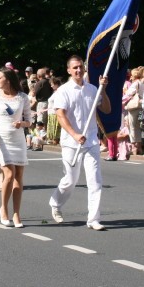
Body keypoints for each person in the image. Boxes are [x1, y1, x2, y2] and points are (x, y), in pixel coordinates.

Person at [48, 55, 111, 230]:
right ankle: (55, 203)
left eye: (80, 67)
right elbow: (60, 115)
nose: (78, 70)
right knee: (70, 180)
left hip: (91, 141)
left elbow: (106, 109)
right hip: (71, 142)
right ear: (69, 70)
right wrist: (75, 134)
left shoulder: (92, 89)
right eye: (74, 67)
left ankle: (93, 219)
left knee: (95, 180)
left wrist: (103, 89)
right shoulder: (64, 91)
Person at [0, 67, 31, 228]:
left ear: (8, 79)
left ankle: (16, 214)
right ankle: (4, 209)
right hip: (2, 140)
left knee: (19, 175)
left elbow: (29, 120)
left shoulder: (22, 97)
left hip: (18, 140)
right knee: (9, 173)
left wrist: (22, 123)